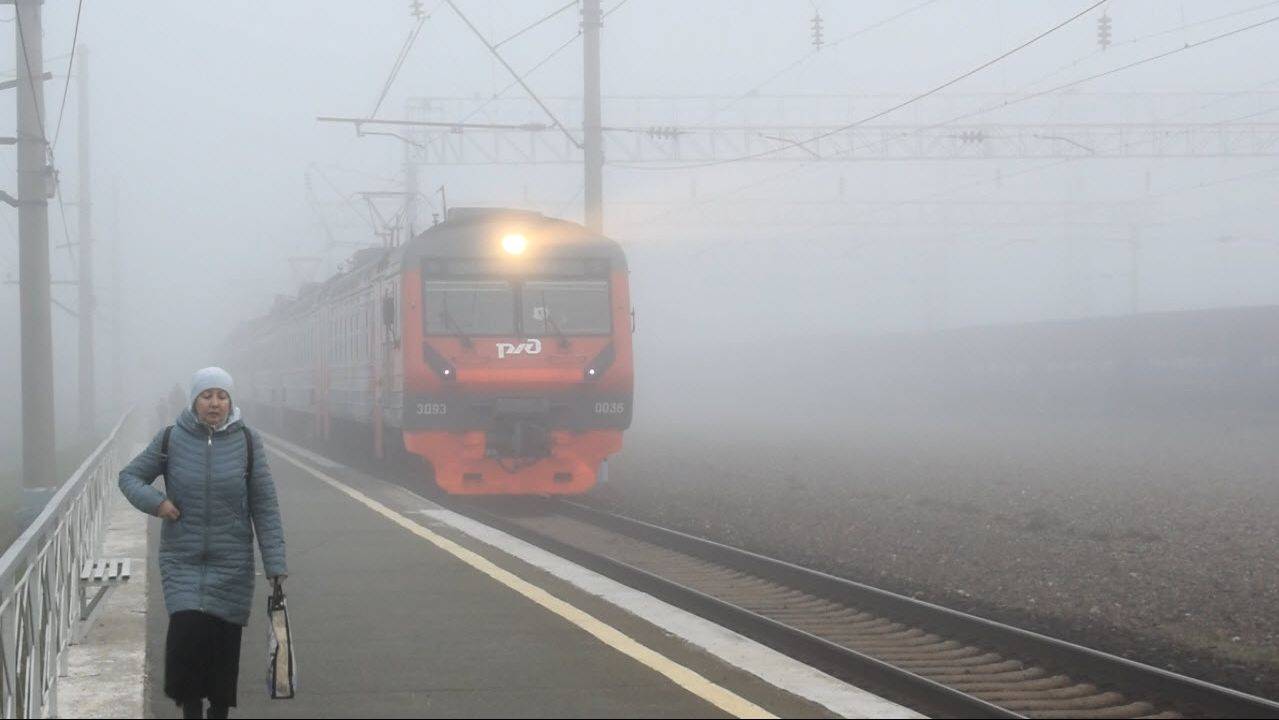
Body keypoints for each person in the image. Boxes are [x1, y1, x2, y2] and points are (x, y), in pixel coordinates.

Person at [119, 367, 287, 719]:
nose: (215, 403)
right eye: (207, 396)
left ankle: (219, 711)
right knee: (187, 637)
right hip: (183, 559)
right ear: (194, 400)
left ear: (231, 402)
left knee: (223, 646)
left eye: (222, 396)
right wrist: (159, 503)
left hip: (232, 564)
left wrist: (275, 565)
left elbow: (264, 505)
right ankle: (190, 710)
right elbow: (129, 476)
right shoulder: (170, 439)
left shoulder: (247, 442)